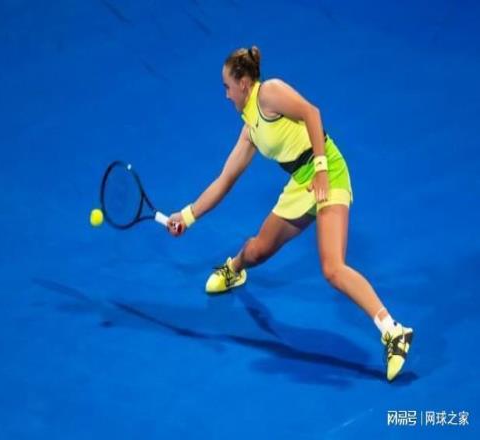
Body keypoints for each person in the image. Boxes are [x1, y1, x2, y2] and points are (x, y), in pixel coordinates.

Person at [167, 46, 413, 381]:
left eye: (227, 87)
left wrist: (322, 169)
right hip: (301, 183)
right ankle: (234, 269)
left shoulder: (269, 93)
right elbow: (224, 181)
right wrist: (186, 216)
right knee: (257, 250)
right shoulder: (250, 130)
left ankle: (394, 332)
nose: (226, 95)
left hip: (328, 172)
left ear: (243, 83)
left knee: (332, 268)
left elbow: (312, 112)